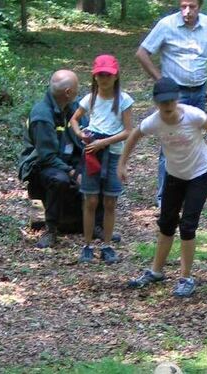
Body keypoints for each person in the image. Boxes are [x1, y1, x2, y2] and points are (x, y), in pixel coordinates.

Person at [120, 77, 207, 297]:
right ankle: (156, 271)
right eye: (162, 103)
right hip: (174, 174)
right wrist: (122, 164)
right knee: (166, 223)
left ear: (176, 99)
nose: (167, 106)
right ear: (156, 102)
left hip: (200, 173)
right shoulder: (154, 121)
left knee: (187, 225)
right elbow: (133, 137)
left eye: (170, 101)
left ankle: (186, 278)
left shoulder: (193, 115)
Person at [136, 0, 207, 208]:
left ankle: (191, 194)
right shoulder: (167, 25)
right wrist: (160, 81)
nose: (187, 11)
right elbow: (142, 53)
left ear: (201, 6)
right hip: (173, 95)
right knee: (169, 143)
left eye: (192, 6)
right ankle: (165, 199)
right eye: (183, 6)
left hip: (199, 92)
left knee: (192, 140)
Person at [18, 70, 120, 248]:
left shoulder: (72, 108)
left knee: (99, 171)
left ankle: (95, 224)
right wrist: (73, 173)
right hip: (43, 165)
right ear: (67, 92)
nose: (78, 90)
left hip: (70, 159)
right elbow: (46, 156)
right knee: (59, 180)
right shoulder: (42, 115)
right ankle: (51, 230)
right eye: (76, 88)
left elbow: (86, 131)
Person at [70, 54, 133, 264]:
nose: (104, 78)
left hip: (113, 153)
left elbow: (128, 131)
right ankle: (87, 245)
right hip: (92, 153)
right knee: (91, 200)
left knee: (109, 201)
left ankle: (106, 245)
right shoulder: (90, 98)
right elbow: (74, 120)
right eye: (100, 75)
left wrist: (104, 143)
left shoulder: (123, 100)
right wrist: (81, 135)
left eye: (108, 74)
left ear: (116, 76)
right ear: (94, 76)